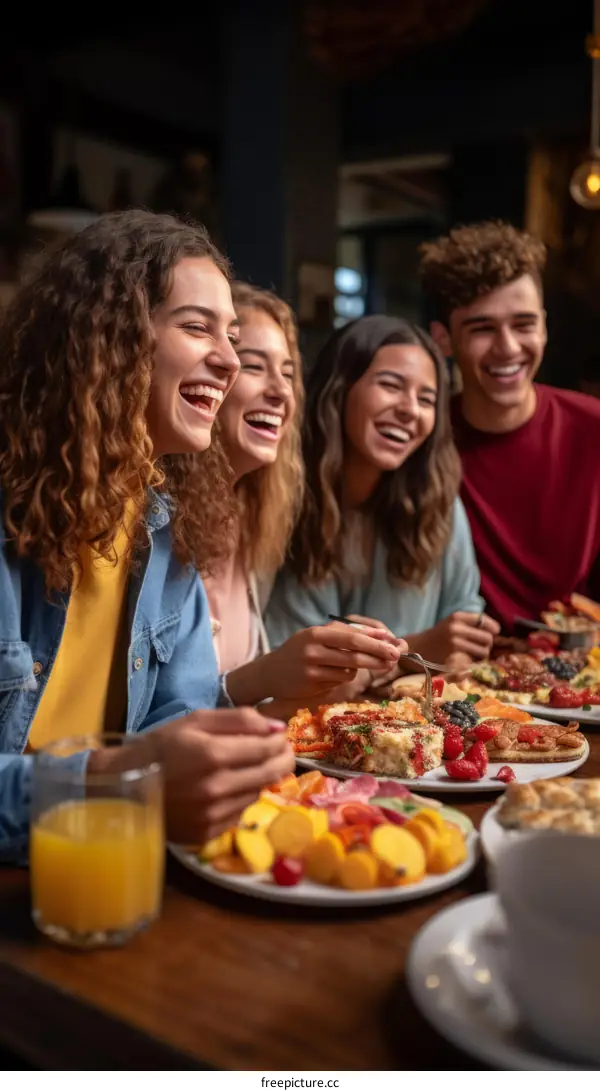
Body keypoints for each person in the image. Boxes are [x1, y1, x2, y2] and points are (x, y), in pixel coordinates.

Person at [0, 210, 294, 862]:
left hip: (108, 868)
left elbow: (177, 718)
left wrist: (222, 756)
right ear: (105, 339)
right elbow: (142, 769)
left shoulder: (166, 526)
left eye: (231, 335)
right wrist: (115, 781)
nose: (227, 359)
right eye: (196, 327)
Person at [204, 283, 406, 716]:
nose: (281, 392)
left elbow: (240, 715)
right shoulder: (151, 527)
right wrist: (274, 674)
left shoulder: (250, 518)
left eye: (289, 373)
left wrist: (323, 680)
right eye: (254, 367)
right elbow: (161, 730)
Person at [265, 315, 498, 684]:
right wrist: (415, 649)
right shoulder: (282, 501)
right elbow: (287, 663)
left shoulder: (441, 505)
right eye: (391, 385)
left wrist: (464, 636)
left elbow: (463, 617)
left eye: (426, 399)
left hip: (418, 726)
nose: (410, 409)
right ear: (339, 391)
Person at [419, 220, 600, 632]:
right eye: (482, 328)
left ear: (544, 326)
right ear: (443, 340)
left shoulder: (593, 429)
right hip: (456, 675)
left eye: (523, 324)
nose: (508, 347)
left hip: (580, 673)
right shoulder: (421, 437)